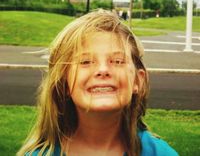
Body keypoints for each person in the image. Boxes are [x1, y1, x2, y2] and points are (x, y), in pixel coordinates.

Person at [17, 10, 178, 156]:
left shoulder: (161, 153)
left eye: (117, 61)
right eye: (86, 61)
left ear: (137, 80)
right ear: (63, 83)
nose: (103, 69)